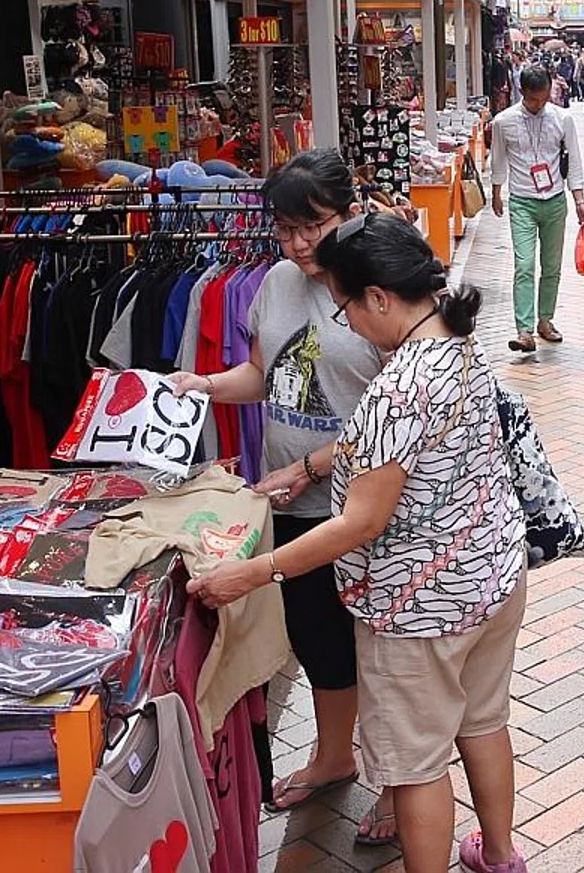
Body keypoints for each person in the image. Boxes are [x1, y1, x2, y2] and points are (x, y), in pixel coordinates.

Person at [188, 214, 527, 873]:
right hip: (490, 573)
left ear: (378, 296)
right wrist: (311, 467)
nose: (346, 323)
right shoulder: (458, 338)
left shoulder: (397, 388)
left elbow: (359, 524)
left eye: (345, 307)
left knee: (415, 761)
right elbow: (405, 451)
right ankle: (502, 853)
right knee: (483, 720)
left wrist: (252, 572)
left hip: (418, 604)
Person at [167, 151, 396, 845]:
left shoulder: (379, 284)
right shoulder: (274, 281)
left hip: (368, 507)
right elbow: (265, 377)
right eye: (286, 227)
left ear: (349, 213)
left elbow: (400, 409)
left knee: (382, 647)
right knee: (319, 638)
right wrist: (203, 385)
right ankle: (334, 755)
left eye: (313, 226)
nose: (298, 244)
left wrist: (316, 463)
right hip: (291, 500)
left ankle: (397, 779)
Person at [488, 67, 584, 353]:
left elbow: (575, 161)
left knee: (552, 266)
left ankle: (545, 320)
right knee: (524, 265)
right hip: (521, 200)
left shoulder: (563, 118)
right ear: (523, 92)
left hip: (555, 200)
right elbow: (498, 159)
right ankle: (524, 330)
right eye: (533, 100)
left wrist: (580, 200)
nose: (538, 105)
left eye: (543, 98)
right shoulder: (503, 122)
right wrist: (497, 192)